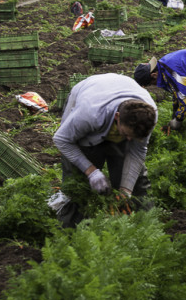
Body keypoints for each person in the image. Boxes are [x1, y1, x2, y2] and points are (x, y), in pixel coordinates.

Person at [53, 73, 157, 227]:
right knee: (77, 185)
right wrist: (91, 171)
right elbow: (61, 140)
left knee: (137, 184)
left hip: (116, 95)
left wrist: (126, 190)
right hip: (91, 99)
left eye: (134, 137)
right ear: (117, 117)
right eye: (127, 135)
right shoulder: (89, 114)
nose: (129, 140)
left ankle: (146, 228)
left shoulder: (149, 115)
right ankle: (71, 232)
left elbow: (137, 152)